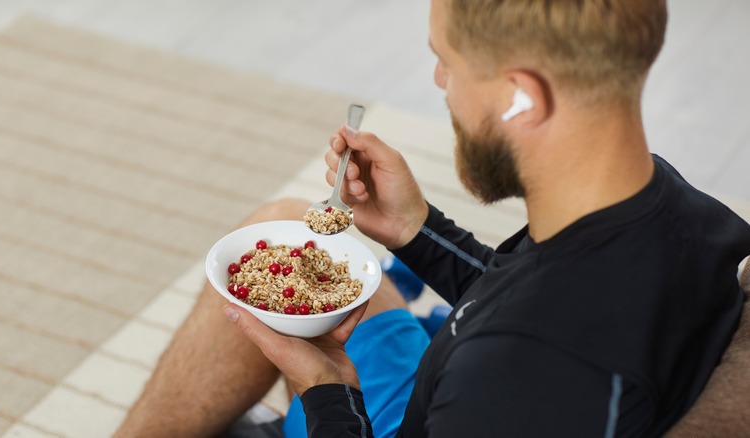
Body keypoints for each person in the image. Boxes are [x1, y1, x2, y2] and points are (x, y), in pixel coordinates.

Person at [116, 0, 750, 436]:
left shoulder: (516, 379)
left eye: (448, 59)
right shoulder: (672, 207)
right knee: (286, 223)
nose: (440, 80)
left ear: (522, 94)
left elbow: (524, 344)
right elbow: (524, 293)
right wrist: (418, 230)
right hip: (452, 382)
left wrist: (328, 390)